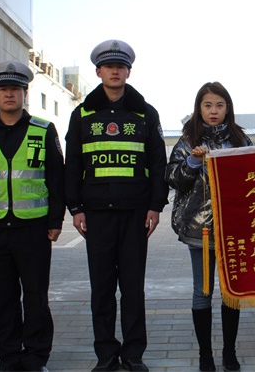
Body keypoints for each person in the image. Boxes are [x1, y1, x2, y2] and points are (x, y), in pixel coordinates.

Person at [64, 40, 169, 372]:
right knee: (102, 290)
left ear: (128, 72)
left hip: (136, 214)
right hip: (97, 216)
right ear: (98, 72)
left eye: (120, 66)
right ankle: (106, 354)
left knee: (133, 289)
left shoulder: (145, 113)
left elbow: (157, 162)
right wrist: (76, 208)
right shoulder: (82, 114)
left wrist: (155, 206)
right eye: (108, 66)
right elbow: (72, 164)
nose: (114, 71)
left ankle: (133, 354)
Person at [0, 60, 65, 372]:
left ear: (24, 94)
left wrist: (55, 221)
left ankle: (35, 358)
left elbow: (55, 179)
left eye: (15, 89)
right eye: (3, 89)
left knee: (35, 298)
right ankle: (9, 357)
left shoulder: (43, 130)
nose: (9, 94)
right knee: (3, 299)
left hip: (33, 231)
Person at [165, 82, 253, 372]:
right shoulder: (187, 141)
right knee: (202, 292)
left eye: (219, 105)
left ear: (227, 108)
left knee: (232, 291)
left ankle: (229, 352)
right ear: (198, 108)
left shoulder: (240, 140)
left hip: (233, 229)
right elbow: (174, 180)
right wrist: (192, 161)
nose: (214, 111)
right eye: (208, 105)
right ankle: (205, 355)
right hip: (197, 228)